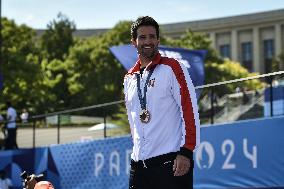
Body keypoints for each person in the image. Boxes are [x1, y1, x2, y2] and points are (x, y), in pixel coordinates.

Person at [124, 16, 200, 189]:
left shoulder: (173, 67)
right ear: (134, 42)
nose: (148, 41)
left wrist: (186, 152)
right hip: (138, 168)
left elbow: (190, 111)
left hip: (171, 164)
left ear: (158, 40)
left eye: (152, 36)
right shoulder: (129, 78)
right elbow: (133, 121)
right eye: (142, 37)